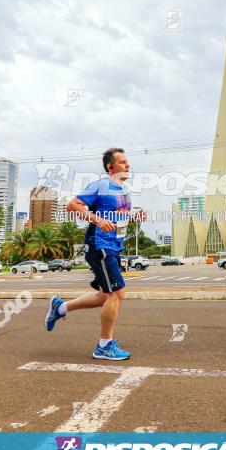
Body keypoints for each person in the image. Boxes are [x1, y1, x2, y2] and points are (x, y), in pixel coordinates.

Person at [44, 147, 146, 360]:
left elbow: (118, 219)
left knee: (103, 296)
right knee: (116, 293)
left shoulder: (124, 191)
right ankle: (104, 346)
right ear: (110, 167)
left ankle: (60, 307)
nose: (128, 165)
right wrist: (97, 220)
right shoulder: (101, 185)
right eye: (122, 162)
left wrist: (136, 218)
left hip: (114, 246)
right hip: (99, 246)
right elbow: (73, 205)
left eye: (128, 162)